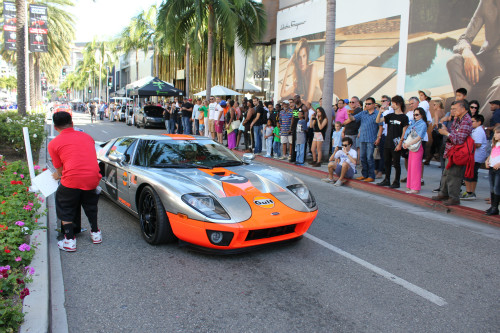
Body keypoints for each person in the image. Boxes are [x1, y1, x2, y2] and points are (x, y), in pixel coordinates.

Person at [48, 111, 102, 252]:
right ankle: (96, 234)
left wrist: (56, 175)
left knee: (64, 204)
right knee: (90, 204)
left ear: (55, 127)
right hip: (93, 178)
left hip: (72, 180)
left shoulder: (54, 144)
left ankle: (69, 241)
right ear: (72, 123)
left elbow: (60, 171)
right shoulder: (87, 137)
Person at [446, 0, 500, 122]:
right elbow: (464, 38)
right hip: (485, 62)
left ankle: (478, 124)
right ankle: (464, 115)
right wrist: (467, 52)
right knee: (453, 61)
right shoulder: (487, 3)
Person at [432, 100, 473, 206]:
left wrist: (446, 133)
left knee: (454, 175)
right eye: (452, 108)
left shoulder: (466, 121)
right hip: (450, 150)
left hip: (458, 153)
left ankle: (454, 197)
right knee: (446, 173)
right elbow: (454, 133)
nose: (452, 111)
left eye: (455, 108)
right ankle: (444, 193)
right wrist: (446, 130)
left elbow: (459, 140)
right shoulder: (457, 119)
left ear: (463, 109)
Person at [376, 95, 408, 188]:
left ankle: (396, 181)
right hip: (388, 141)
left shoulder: (404, 117)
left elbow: (404, 131)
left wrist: (400, 143)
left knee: (396, 163)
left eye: (394, 103)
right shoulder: (390, 115)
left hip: (397, 142)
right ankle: (387, 179)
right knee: (387, 161)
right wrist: (380, 112)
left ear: (399, 104)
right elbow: (378, 121)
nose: (392, 105)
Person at [345, 97, 379, 182]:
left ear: (374, 105)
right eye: (366, 104)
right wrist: (349, 114)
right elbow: (353, 118)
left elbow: (381, 126)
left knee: (369, 158)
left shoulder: (377, 113)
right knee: (363, 158)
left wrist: (378, 138)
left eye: (369, 104)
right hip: (362, 138)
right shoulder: (363, 113)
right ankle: (364, 175)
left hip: (371, 139)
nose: (367, 105)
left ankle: (371, 176)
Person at [280, 38, 321, 103]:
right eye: (299, 57)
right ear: (296, 59)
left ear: (307, 56)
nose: (302, 61)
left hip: (318, 107)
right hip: (306, 109)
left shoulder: (312, 68)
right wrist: (287, 67)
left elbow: (308, 102)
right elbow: (282, 94)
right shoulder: (298, 77)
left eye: (304, 56)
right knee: (284, 100)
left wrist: (296, 97)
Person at [462, 114, 488, 200]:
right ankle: (471, 192)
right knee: (472, 174)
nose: (471, 123)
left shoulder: (479, 131)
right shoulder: (476, 130)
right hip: (474, 156)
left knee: (469, 174)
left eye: (473, 121)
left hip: (475, 156)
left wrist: (467, 144)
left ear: (479, 122)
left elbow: (478, 144)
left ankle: (470, 192)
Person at [403, 107, 428, 194]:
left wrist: (408, 144)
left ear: (422, 115)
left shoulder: (423, 124)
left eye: (417, 114)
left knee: (416, 168)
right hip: (411, 147)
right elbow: (408, 133)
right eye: (414, 114)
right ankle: (410, 186)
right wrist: (405, 142)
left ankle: (416, 188)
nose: (415, 116)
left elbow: (419, 137)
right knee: (411, 167)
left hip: (417, 147)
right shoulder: (413, 123)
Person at [485, 125, 500, 215]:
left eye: (498, 133)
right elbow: (491, 154)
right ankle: (492, 206)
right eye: (495, 133)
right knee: (492, 187)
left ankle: (495, 207)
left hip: (498, 168)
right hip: (491, 167)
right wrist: (487, 160)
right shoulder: (494, 144)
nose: (496, 135)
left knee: (497, 187)